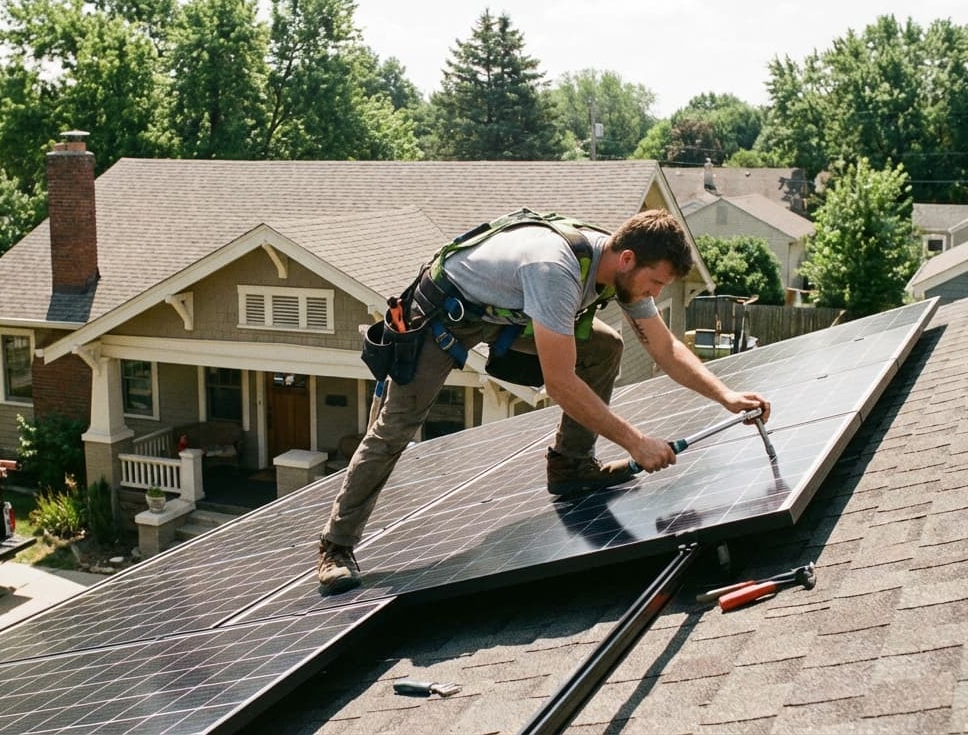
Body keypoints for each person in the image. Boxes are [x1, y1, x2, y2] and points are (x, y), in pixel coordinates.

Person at [316, 209, 771, 595]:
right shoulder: (557, 272)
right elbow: (561, 384)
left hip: (505, 312)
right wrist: (635, 443)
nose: (654, 294)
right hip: (445, 315)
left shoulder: (617, 268)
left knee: (605, 347)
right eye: (654, 283)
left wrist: (726, 396)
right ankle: (335, 544)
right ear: (628, 258)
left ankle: (570, 466)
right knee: (396, 426)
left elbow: (664, 347)